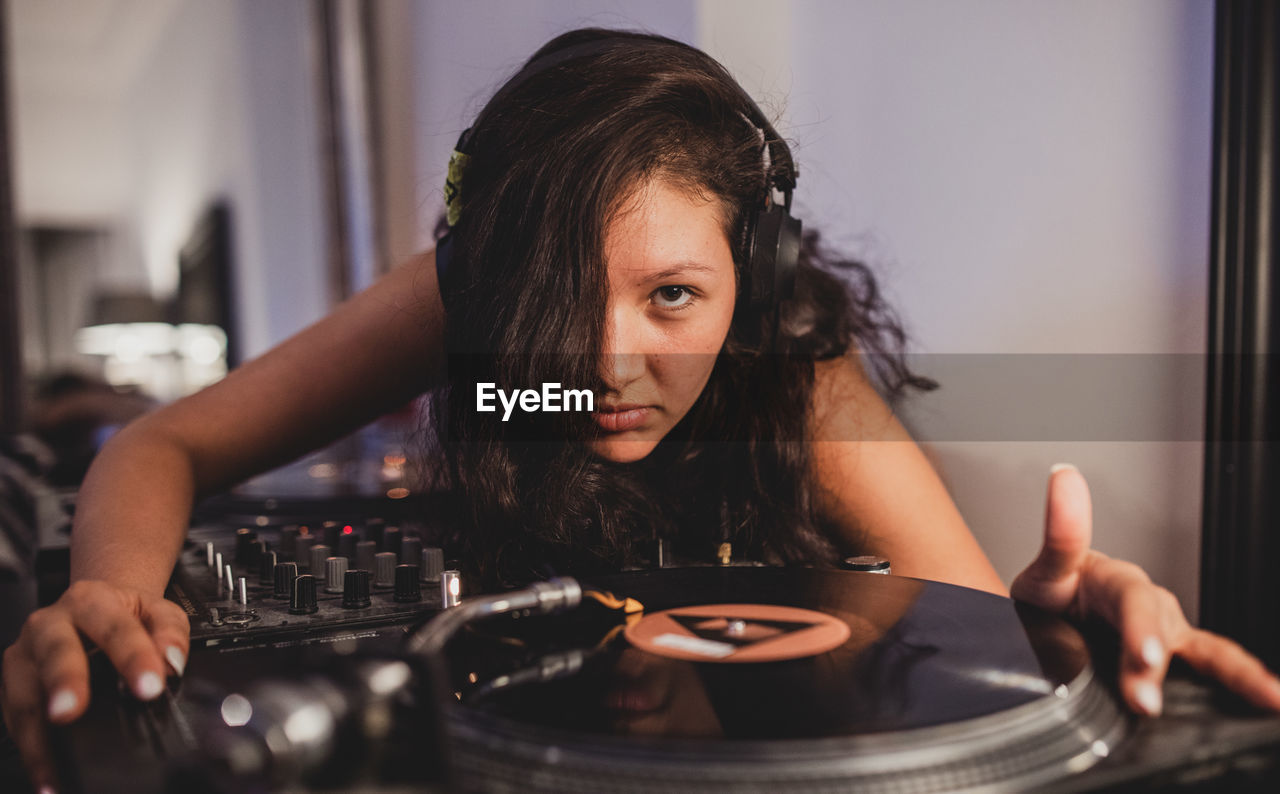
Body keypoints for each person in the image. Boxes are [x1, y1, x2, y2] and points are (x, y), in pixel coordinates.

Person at [4, 27, 1279, 793]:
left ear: (756, 276)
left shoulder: (789, 370)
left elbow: (974, 655)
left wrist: (1057, 650)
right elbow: (165, 440)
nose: (603, 357)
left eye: (673, 293)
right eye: (552, 298)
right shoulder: (465, 302)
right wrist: (106, 588)